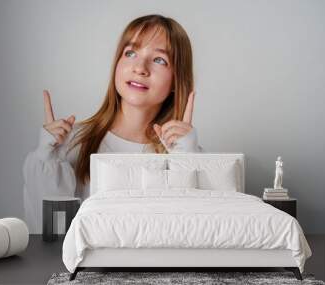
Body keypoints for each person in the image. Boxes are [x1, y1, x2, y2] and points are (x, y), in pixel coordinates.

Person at [23, 14, 203, 233]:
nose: (140, 67)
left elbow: (193, 232)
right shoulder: (71, 143)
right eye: (130, 53)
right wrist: (46, 160)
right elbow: (50, 233)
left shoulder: (183, 152)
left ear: (177, 80)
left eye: (159, 60)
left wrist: (187, 160)